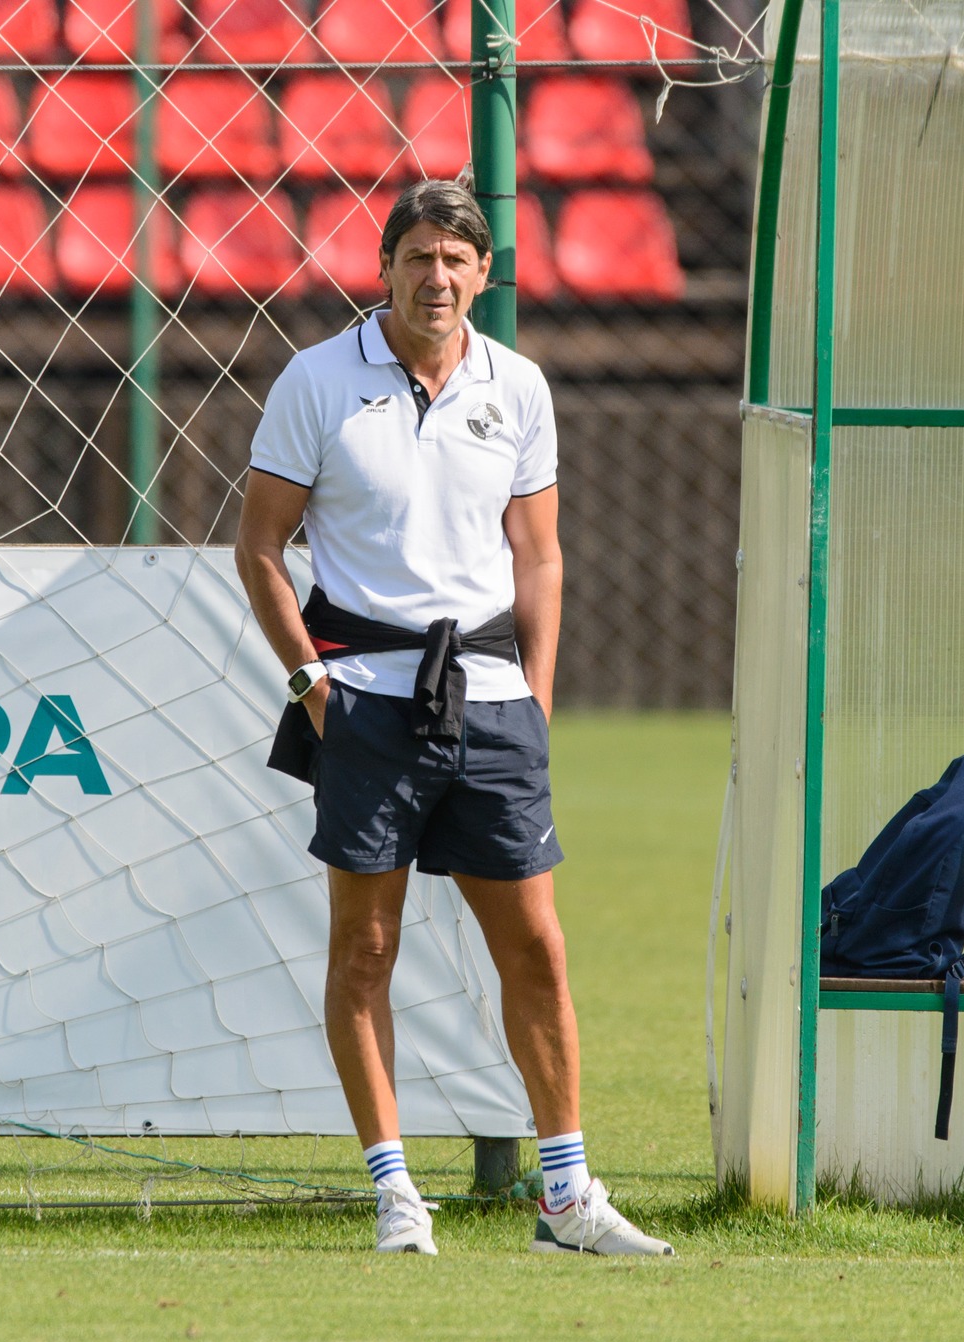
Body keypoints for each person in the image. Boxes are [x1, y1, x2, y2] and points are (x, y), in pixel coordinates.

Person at [234, 179, 670, 1258]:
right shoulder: (315, 380)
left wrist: (539, 693)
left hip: (493, 704)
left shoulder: (515, 385)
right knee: (364, 948)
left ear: (484, 273)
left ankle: (564, 1196)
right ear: (384, 266)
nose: (437, 276)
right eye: (418, 255)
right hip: (363, 703)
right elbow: (258, 546)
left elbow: (540, 555)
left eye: (456, 259)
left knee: (539, 950)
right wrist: (309, 683)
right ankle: (395, 1196)